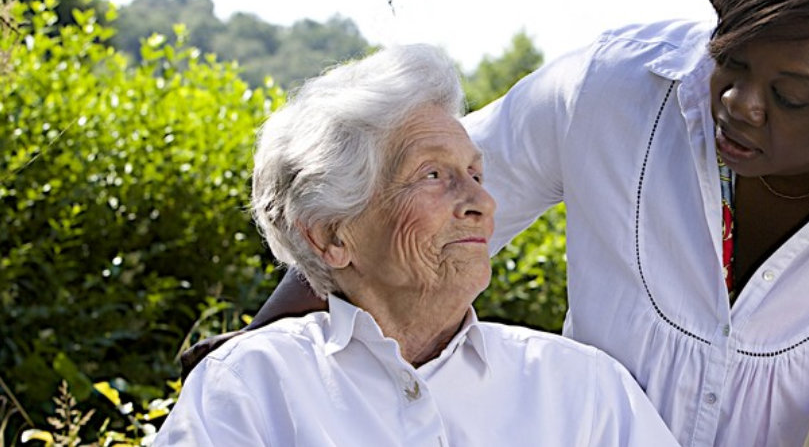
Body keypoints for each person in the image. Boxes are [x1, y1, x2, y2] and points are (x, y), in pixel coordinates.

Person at [184, 0, 809, 445]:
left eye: (792, 97)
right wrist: (254, 353)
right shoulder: (616, 88)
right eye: (731, 64)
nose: (737, 104)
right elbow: (397, 205)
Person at [157, 44, 678, 446]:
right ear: (331, 234)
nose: (482, 202)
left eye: (476, 172)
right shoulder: (252, 385)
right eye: (433, 174)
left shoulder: (583, 389)